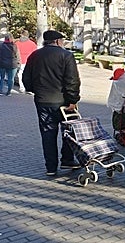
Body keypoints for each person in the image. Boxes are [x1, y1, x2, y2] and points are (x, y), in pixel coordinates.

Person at [22, 30, 81, 176]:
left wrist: (35, 90)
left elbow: (26, 79)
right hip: (63, 101)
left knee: (47, 133)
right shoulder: (66, 55)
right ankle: (67, 159)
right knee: (69, 131)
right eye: (61, 40)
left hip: (43, 101)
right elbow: (72, 81)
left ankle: (51, 167)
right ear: (57, 41)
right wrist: (73, 100)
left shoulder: (35, 55)